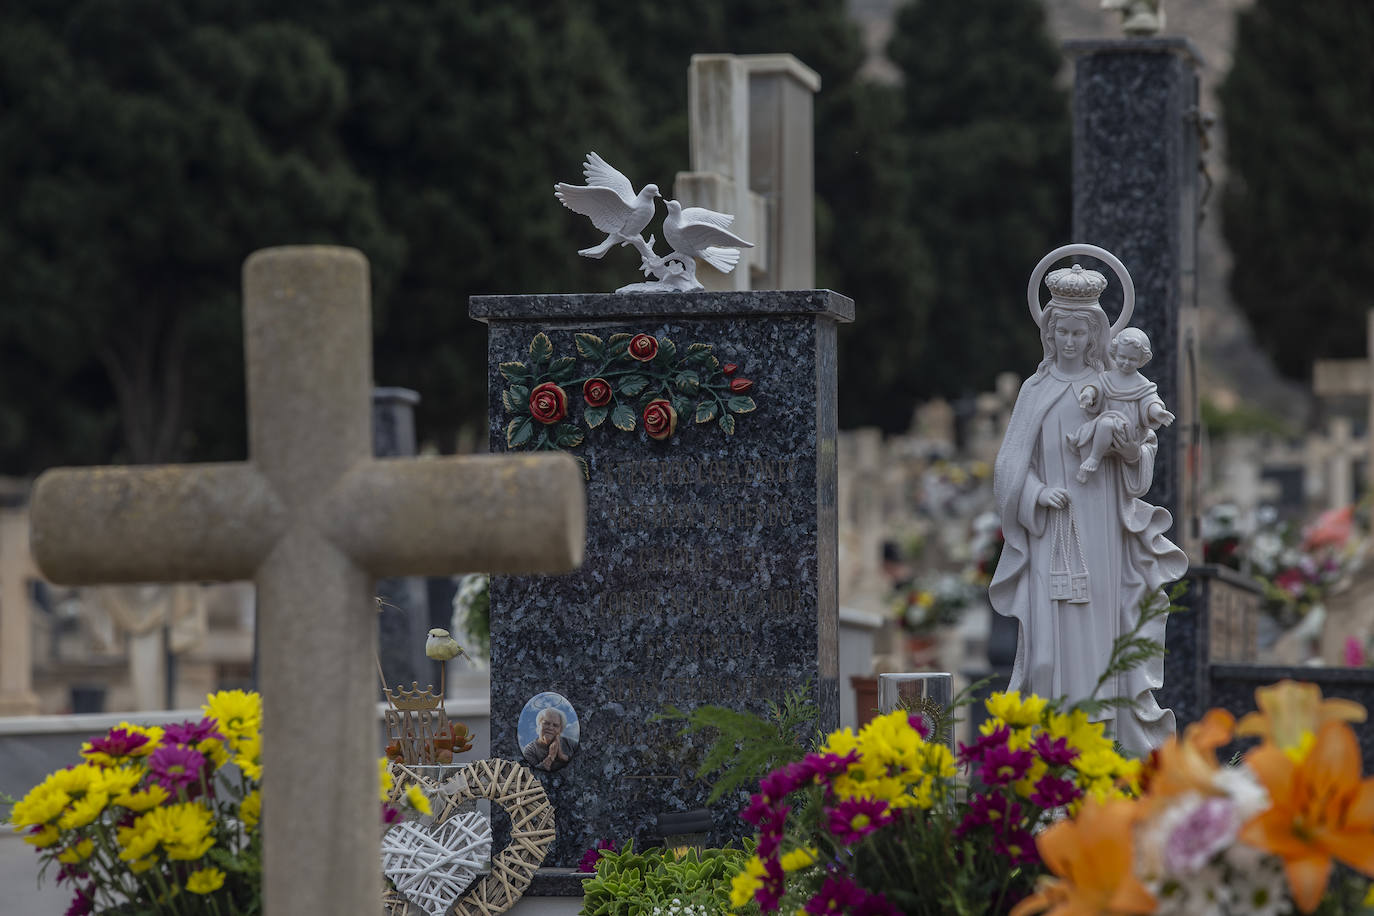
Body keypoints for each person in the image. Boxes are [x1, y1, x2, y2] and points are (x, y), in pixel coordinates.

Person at [989, 264, 1187, 755]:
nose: (1072, 340)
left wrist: (1129, 447)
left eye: (1081, 331)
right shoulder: (1035, 392)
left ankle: (1101, 745)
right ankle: (1051, 743)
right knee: (1044, 653)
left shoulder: (1115, 384)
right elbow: (1013, 464)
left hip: (1101, 527)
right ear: (1049, 333)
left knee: (1102, 633)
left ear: (1097, 333)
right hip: (1050, 524)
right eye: (1063, 331)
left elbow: (1142, 458)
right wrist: (1035, 493)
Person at [1071, 327, 1175, 483]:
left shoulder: (1142, 384)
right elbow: (1096, 388)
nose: (1126, 362)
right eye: (1122, 357)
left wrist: (1158, 412)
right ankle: (1093, 459)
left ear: (1141, 360)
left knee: (1107, 424)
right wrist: (1088, 394)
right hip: (1106, 426)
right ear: (1115, 353)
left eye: (1132, 359)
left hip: (1128, 432)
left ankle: (1094, 458)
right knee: (1105, 424)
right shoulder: (1107, 378)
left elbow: (1150, 401)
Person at [522, 706, 578, 772]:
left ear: (560, 730)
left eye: (555, 725)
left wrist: (562, 757)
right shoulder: (529, 751)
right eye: (546, 723)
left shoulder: (571, 744)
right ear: (538, 726)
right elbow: (534, 774)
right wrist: (551, 757)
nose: (550, 728)